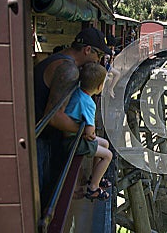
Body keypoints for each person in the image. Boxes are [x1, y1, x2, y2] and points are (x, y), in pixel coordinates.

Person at [34, 27, 112, 207]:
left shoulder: (60, 60)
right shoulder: (68, 70)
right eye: (98, 55)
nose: (97, 61)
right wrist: (85, 130)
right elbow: (54, 117)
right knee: (43, 198)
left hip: (43, 137)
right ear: (87, 50)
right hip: (39, 142)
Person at [62, 63, 112, 201]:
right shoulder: (89, 103)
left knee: (105, 143)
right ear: (99, 87)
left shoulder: (78, 91)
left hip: (69, 136)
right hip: (73, 142)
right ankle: (93, 188)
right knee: (108, 155)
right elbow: (90, 133)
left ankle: (95, 176)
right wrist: (93, 135)